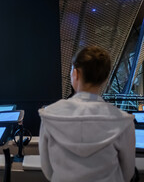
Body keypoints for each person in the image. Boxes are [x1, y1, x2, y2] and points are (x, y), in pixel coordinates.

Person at [39, 45, 135, 182]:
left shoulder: (49, 115)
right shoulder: (123, 121)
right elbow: (127, 172)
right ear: (105, 79)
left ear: (76, 74)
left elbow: (47, 168)